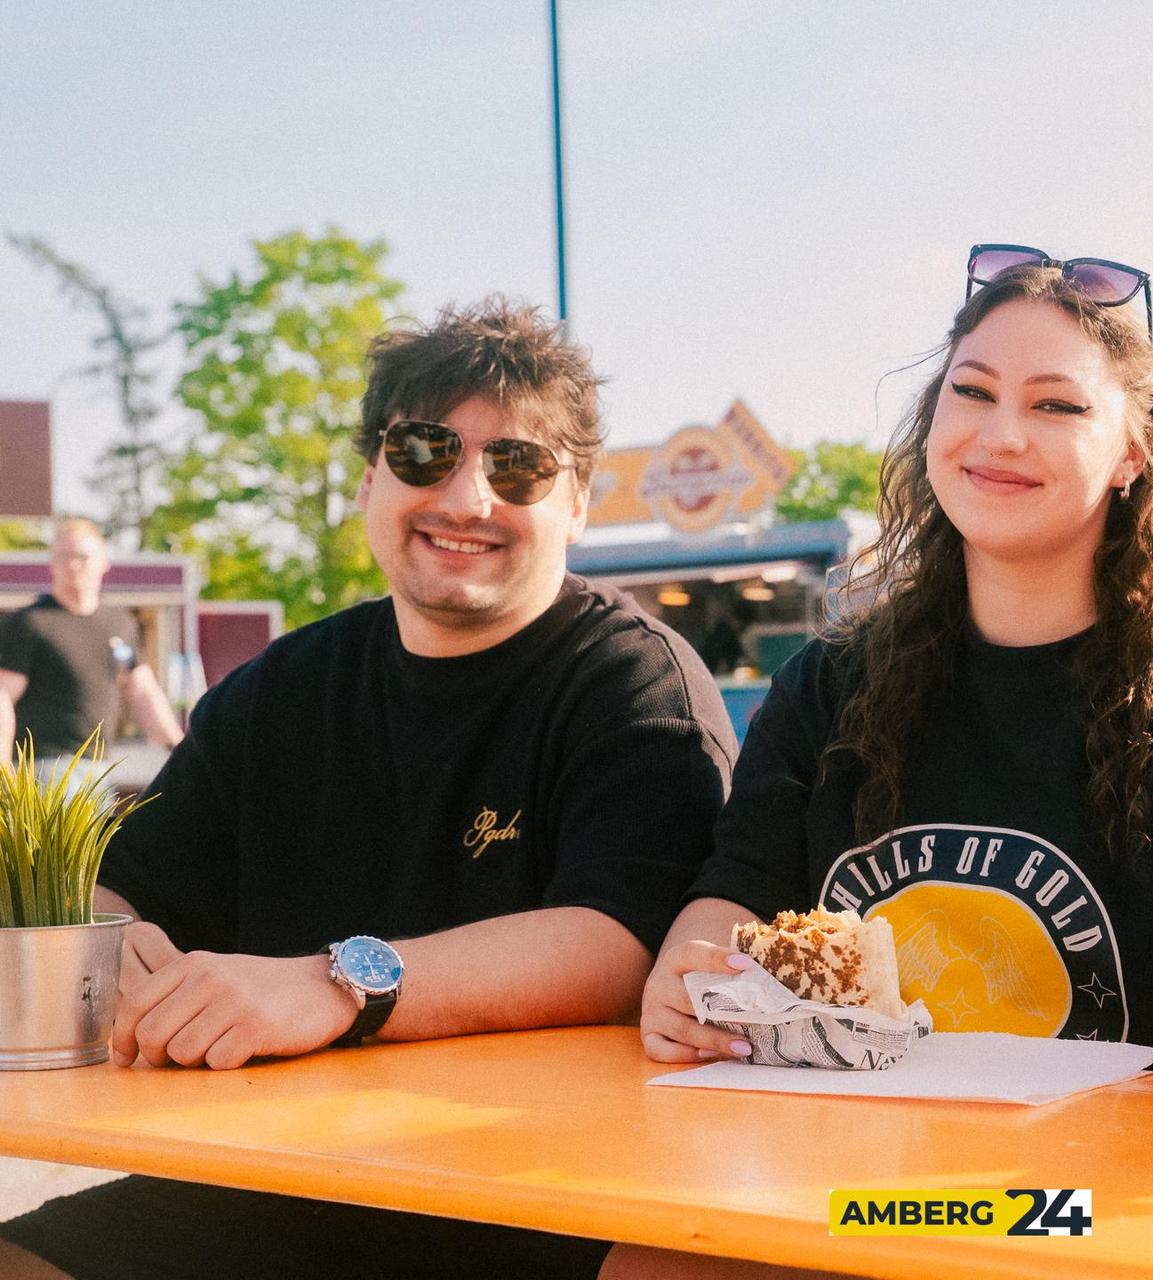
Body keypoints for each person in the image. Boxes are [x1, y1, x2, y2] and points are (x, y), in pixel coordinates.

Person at [0, 301, 736, 1280]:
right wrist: (120, 949)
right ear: (369, 477)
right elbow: (130, 883)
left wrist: (332, 985)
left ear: (579, 503)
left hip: (550, 1200)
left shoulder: (636, 679)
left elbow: (620, 937)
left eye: (518, 465)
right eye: (426, 450)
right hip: (280, 1185)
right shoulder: (283, 685)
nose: (467, 496)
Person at [636, 249, 1153, 1078]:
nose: (1001, 436)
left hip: (1097, 1201)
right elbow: (737, 891)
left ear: (1133, 455)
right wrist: (690, 974)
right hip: (866, 1197)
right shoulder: (827, 687)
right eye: (973, 391)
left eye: (1057, 404)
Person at [0, 516, 184, 777]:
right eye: (64, 557)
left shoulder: (120, 624)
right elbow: (3, 695)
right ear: (52, 564)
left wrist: (181, 748)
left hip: (99, 770)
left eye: (82, 557)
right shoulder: (30, 623)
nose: (73, 565)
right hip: (43, 767)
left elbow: (143, 691)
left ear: (103, 562)